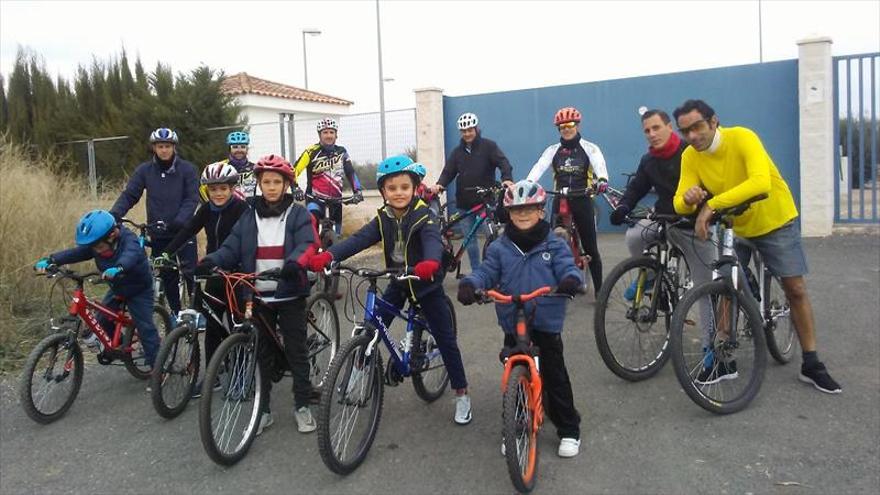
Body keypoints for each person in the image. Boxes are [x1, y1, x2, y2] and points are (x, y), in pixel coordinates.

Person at [672, 99, 841, 394]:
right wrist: (688, 198)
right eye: (685, 131)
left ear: (714, 122)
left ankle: (812, 363)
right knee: (726, 285)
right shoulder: (690, 156)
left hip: (774, 220)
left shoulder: (743, 137)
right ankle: (724, 360)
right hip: (736, 225)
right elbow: (677, 201)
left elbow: (760, 183)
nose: (692, 136)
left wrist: (710, 204)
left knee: (795, 289)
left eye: (697, 127)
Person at [309, 154, 473, 425]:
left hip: (425, 284)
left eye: (404, 187)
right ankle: (359, 372)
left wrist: (430, 262)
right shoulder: (383, 217)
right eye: (392, 188)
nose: (398, 193)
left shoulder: (425, 216)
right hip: (397, 280)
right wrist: (329, 256)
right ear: (383, 191)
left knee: (445, 341)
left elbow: (432, 240)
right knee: (372, 327)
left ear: (415, 188)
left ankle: (462, 393)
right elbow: (359, 240)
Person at [457, 179, 584, 457]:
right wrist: (471, 284)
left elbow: (567, 267)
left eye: (530, 208)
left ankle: (569, 429)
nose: (523, 214)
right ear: (508, 214)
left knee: (554, 374)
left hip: (546, 319)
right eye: (516, 210)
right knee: (514, 373)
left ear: (541, 211)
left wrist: (571, 280)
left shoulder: (555, 243)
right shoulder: (500, 247)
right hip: (513, 319)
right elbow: (486, 271)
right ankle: (516, 426)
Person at [196, 154, 321, 434]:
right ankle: (262, 409)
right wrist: (212, 260)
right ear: (259, 184)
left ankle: (302, 404)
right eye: (267, 182)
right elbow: (232, 246)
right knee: (261, 354)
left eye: (277, 182)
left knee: (296, 349)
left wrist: (294, 264)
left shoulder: (298, 213)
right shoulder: (248, 214)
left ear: (287, 184)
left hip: (289, 292)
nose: (272, 187)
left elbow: (308, 243)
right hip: (257, 293)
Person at [156, 161, 249, 398]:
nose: (218, 193)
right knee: (213, 327)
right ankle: (213, 376)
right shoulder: (206, 210)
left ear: (232, 188)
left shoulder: (242, 209)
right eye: (213, 189)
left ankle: (242, 373)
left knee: (239, 325)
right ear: (207, 191)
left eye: (223, 189)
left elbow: (245, 242)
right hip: (213, 272)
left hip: (237, 273)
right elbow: (187, 230)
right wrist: (167, 252)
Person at [34, 210, 160, 369]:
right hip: (118, 288)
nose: (96, 250)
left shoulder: (129, 240)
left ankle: (158, 367)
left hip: (138, 288)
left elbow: (131, 254)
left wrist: (119, 267)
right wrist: (52, 260)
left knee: (145, 328)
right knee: (101, 321)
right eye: (93, 247)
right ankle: (121, 344)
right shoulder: (97, 244)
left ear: (113, 235)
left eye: (99, 247)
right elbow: (76, 253)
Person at [110, 127, 200, 315]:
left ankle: (196, 310)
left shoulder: (188, 170)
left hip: (183, 232)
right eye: (160, 146)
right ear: (154, 148)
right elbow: (130, 195)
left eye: (167, 146)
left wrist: (180, 220)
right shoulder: (145, 170)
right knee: (168, 275)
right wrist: (113, 215)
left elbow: (192, 199)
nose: (164, 150)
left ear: (174, 147)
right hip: (158, 231)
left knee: (191, 273)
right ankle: (175, 314)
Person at [526, 106, 609, 295]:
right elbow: (538, 168)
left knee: (590, 247)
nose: (566, 128)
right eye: (562, 126)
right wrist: (528, 183)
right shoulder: (552, 150)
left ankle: (600, 292)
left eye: (570, 124)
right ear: (558, 129)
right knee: (552, 242)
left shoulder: (590, 148)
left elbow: (600, 166)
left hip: (582, 198)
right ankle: (557, 282)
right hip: (560, 198)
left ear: (577, 125)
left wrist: (602, 180)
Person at [431, 112, 514, 271]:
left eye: (470, 130)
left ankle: (496, 270)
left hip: (485, 201)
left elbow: (503, 163)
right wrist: (440, 185)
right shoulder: (457, 152)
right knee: (470, 241)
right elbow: (448, 172)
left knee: (493, 237)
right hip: (464, 202)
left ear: (476, 129)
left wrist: (507, 178)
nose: (467, 133)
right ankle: (477, 272)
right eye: (464, 131)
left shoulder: (489, 146)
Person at [293, 117, 363, 234]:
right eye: (325, 132)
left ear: (336, 135)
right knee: (313, 229)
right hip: (314, 198)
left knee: (337, 235)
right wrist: (295, 188)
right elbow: (294, 171)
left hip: (336, 199)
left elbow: (350, 172)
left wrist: (358, 191)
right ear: (319, 135)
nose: (329, 135)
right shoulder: (311, 151)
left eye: (332, 132)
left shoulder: (342, 152)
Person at [200, 131, 257, 201]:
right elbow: (203, 188)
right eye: (235, 147)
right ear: (230, 149)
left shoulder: (255, 168)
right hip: (227, 209)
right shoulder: (220, 167)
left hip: (249, 208)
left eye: (243, 147)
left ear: (247, 149)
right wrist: (210, 204)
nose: (239, 150)